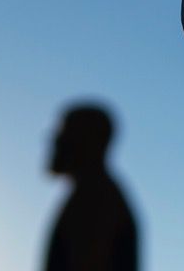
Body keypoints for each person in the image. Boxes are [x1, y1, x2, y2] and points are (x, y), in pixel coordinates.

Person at [45, 103, 138, 271]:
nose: (54, 140)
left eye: (63, 133)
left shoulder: (95, 199)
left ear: (87, 140)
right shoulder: (96, 194)